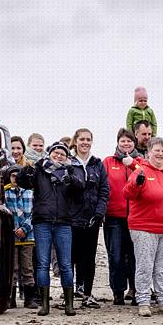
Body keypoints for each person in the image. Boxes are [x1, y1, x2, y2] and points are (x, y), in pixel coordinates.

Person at [123, 137, 163, 317]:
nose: (160, 154)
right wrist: (137, 183)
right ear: (148, 152)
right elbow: (127, 193)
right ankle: (143, 301)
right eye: (156, 150)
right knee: (145, 265)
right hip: (144, 227)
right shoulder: (140, 171)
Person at [18, 141, 84, 316]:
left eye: (62, 154)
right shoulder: (39, 170)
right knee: (42, 264)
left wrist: (71, 177)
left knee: (66, 265)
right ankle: (44, 304)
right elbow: (22, 181)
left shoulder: (70, 171)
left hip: (64, 222)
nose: (59, 155)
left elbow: (80, 189)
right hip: (42, 221)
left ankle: (69, 305)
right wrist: (27, 170)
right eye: (56, 152)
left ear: (67, 157)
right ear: (50, 153)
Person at [68, 128, 109, 308]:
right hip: (71, 219)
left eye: (88, 139)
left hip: (91, 218)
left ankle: (87, 294)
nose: (85, 142)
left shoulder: (97, 164)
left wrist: (99, 213)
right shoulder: (68, 163)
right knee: (69, 258)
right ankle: (68, 294)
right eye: (82, 139)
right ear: (76, 141)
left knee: (88, 258)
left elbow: (104, 190)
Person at [103, 128, 141, 305]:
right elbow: (102, 188)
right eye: (123, 141)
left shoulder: (140, 162)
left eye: (129, 141)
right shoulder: (108, 162)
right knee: (116, 256)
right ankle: (118, 291)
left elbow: (147, 176)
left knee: (135, 256)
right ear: (118, 143)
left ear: (134, 143)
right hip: (114, 216)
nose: (126, 144)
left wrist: (132, 163)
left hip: (136, 217)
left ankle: (135, 289)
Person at [3, 164, 39, 308]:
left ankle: (29, 297)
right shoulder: (4, 193)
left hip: (28, 236)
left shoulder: (30, 193)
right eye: (13, 176)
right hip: (12, 236)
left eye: (19, 176)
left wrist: (25, 228)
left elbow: (33, 213)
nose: (16, 179)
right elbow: (4, 213)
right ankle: (11, 297)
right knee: (13, 268)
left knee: (28, 268)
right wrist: (13, 228)